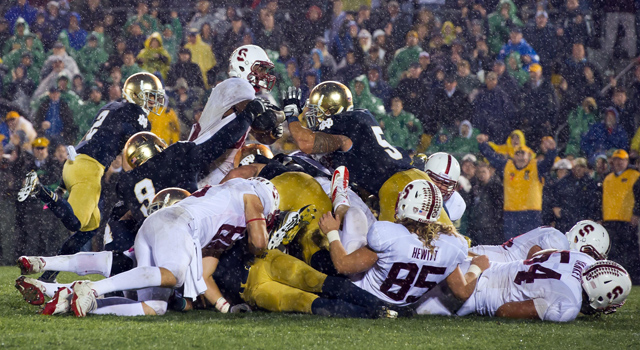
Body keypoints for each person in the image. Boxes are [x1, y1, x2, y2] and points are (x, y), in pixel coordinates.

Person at [40, 177, 278, 317]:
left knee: (155, 306)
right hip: (177, 222)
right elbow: (259, 243)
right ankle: (93, 288)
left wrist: (226, 307)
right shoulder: (251, 195)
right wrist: (261, 248)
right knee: (173, 275)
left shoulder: (229, 211)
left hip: (164, 224)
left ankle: (66, 296)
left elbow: (203, 275)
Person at [17, 72, 164, 282]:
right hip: (90, 169)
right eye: (150, 96)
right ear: (137, 94)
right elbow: (135, 151)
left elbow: (101, 137)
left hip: (74, 162)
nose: (153, 101)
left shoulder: (111, 106)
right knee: (76, 223)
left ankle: (48, 276)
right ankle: (40, 190)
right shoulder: (136, 114)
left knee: (89, 229)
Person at [284, 82, 453, 224]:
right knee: (448, 239)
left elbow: (306, 143)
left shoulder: (346, 123)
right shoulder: (358, 124)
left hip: (395, 188)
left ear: (332, 111)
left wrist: (291, 115)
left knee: (389, 248)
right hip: (415, 180)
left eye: (317, 112)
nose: (313, 118)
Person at [318, 178, 489, 306]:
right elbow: (463, 292)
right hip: (401, 306)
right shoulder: (452, 245)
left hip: (362, 295)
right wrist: (476, 267)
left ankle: (340, 199)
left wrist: (332, 232)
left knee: (356, 216)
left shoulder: (389, 234)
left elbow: (342, 265)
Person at [418, 251, 632, 322]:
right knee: (405, 308)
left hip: (474, 266)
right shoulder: (569, 304)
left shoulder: (583, 258)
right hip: (465, 295)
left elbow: (537, 256)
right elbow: (504, 311)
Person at [478, 133, 557, 239]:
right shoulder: (507, 166)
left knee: (531, 244)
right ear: (513, 156)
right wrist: (483, 144)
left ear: (529, 155)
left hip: (531, 213)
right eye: (517, 153)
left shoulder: (536, 166)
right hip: (511, 213)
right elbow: (492, 157)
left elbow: (548, 162)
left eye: (523, 153)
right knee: (512, 244)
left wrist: (552, 151)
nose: (520, 156)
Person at [469, 220, 610, 263]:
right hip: (488, 261)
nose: (590, 260)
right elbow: (534, 262)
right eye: (590, 254)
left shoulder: (560, 239)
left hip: (493, 261)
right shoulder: (559, 241)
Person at [601, 149, 640, 283]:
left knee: (630, 250)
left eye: (621, 160)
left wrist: (636, 213)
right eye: (616, 159)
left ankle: (633, 277)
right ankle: (615, 278)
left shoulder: (634, 175)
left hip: (627, 219)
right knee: (613, 251)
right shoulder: (608, 178)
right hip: (610, 220)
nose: (618, 162)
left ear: (627, 161)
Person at [549, 158, 601, 233]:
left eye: (582, 167)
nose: (579, 169)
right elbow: (555, 200)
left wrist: (593, 217)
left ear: (585, 168)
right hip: (566, 221)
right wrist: (557, 214)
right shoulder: (563, 182)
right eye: (577, 166)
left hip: (584, 221)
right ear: (573, 168)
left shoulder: (590, 183)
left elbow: (595, 202)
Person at [468, 162, 503, 245]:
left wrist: (495, 222)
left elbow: (499, 207)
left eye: (483, 171)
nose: (481, 174)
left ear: (489, 172)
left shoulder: (496, 187)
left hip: (491, 227)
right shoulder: (475, 187)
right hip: (477, 226)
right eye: (479, 172)